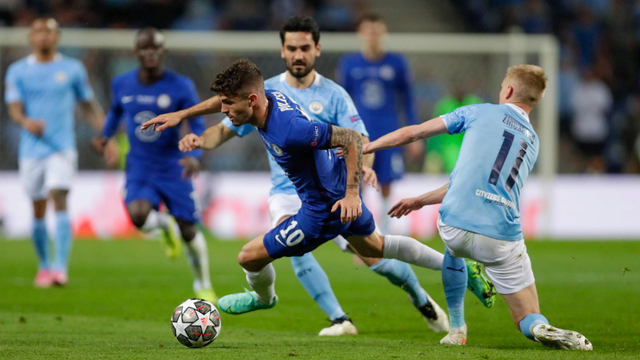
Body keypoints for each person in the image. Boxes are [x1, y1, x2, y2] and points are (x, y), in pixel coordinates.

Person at [141, 59, 493, 333]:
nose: (224, 112)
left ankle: (264, 299)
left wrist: (353, 193)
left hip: (321, 210)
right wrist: (182, 115)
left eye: (230, 105)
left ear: (251, 100)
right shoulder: (270, 97)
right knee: (378, 247)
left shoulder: (290, 129)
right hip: (337, 193)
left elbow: (352, 139)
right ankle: (459, 264)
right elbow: (221, 102)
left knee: (248, 257)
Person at [364, 64, 593, 350]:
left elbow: (414, 133)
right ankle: (539, 327)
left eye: (501, 87)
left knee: (454, 249)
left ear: (508, 90)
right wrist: (420, 199)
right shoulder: (533, 142)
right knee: (526, 315)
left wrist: (369, 147)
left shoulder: (478, 111)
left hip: (454, 225)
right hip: (500, 237)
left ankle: (457, 329)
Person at [92, 28, 216, 302]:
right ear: (136, 52)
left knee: (188, 229)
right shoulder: (122, 83)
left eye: (156, 48)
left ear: (163, 52)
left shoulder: (180, 85)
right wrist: (105, 135)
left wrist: (194, 154)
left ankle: (203, 284)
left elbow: (195, 121)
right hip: (139, 165)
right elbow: (115, 111)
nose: (151, 53)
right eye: (145, 48)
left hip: (173, 165)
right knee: (137, 216)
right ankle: (163, 227)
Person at [4, 18, 116, 288]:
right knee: (38, 207)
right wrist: (25, 122)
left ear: (57, 37)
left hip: (62, 146)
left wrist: (107, 136)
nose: (44, 36)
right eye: (39, 31)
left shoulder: (72, 69)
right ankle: (44, 266)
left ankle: (59, 269)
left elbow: (88, 105)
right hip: (31, 149)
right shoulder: (17, 71)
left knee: (59, 196)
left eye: (49, 32)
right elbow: (14, 107)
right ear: (31, 37)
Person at [337, 13, 423, 234]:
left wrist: (415, 137)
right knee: (358, 182)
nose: (372, 36)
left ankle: (383, 235)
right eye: (368, 31)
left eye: (376, 31)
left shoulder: (396, 63)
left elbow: (408, 100)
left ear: (383, 33)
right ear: (361, 33)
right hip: (360, 134)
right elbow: (341, 101)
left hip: (389, 133)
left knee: (386, 184)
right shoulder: (349, 64)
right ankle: (360, 234)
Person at [427, 78, 482, 174]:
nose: (460, 89)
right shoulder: (444, 106)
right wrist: (433, 152)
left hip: (471, 152)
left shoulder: (476, 104)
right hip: (448, 152)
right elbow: (435, 135)